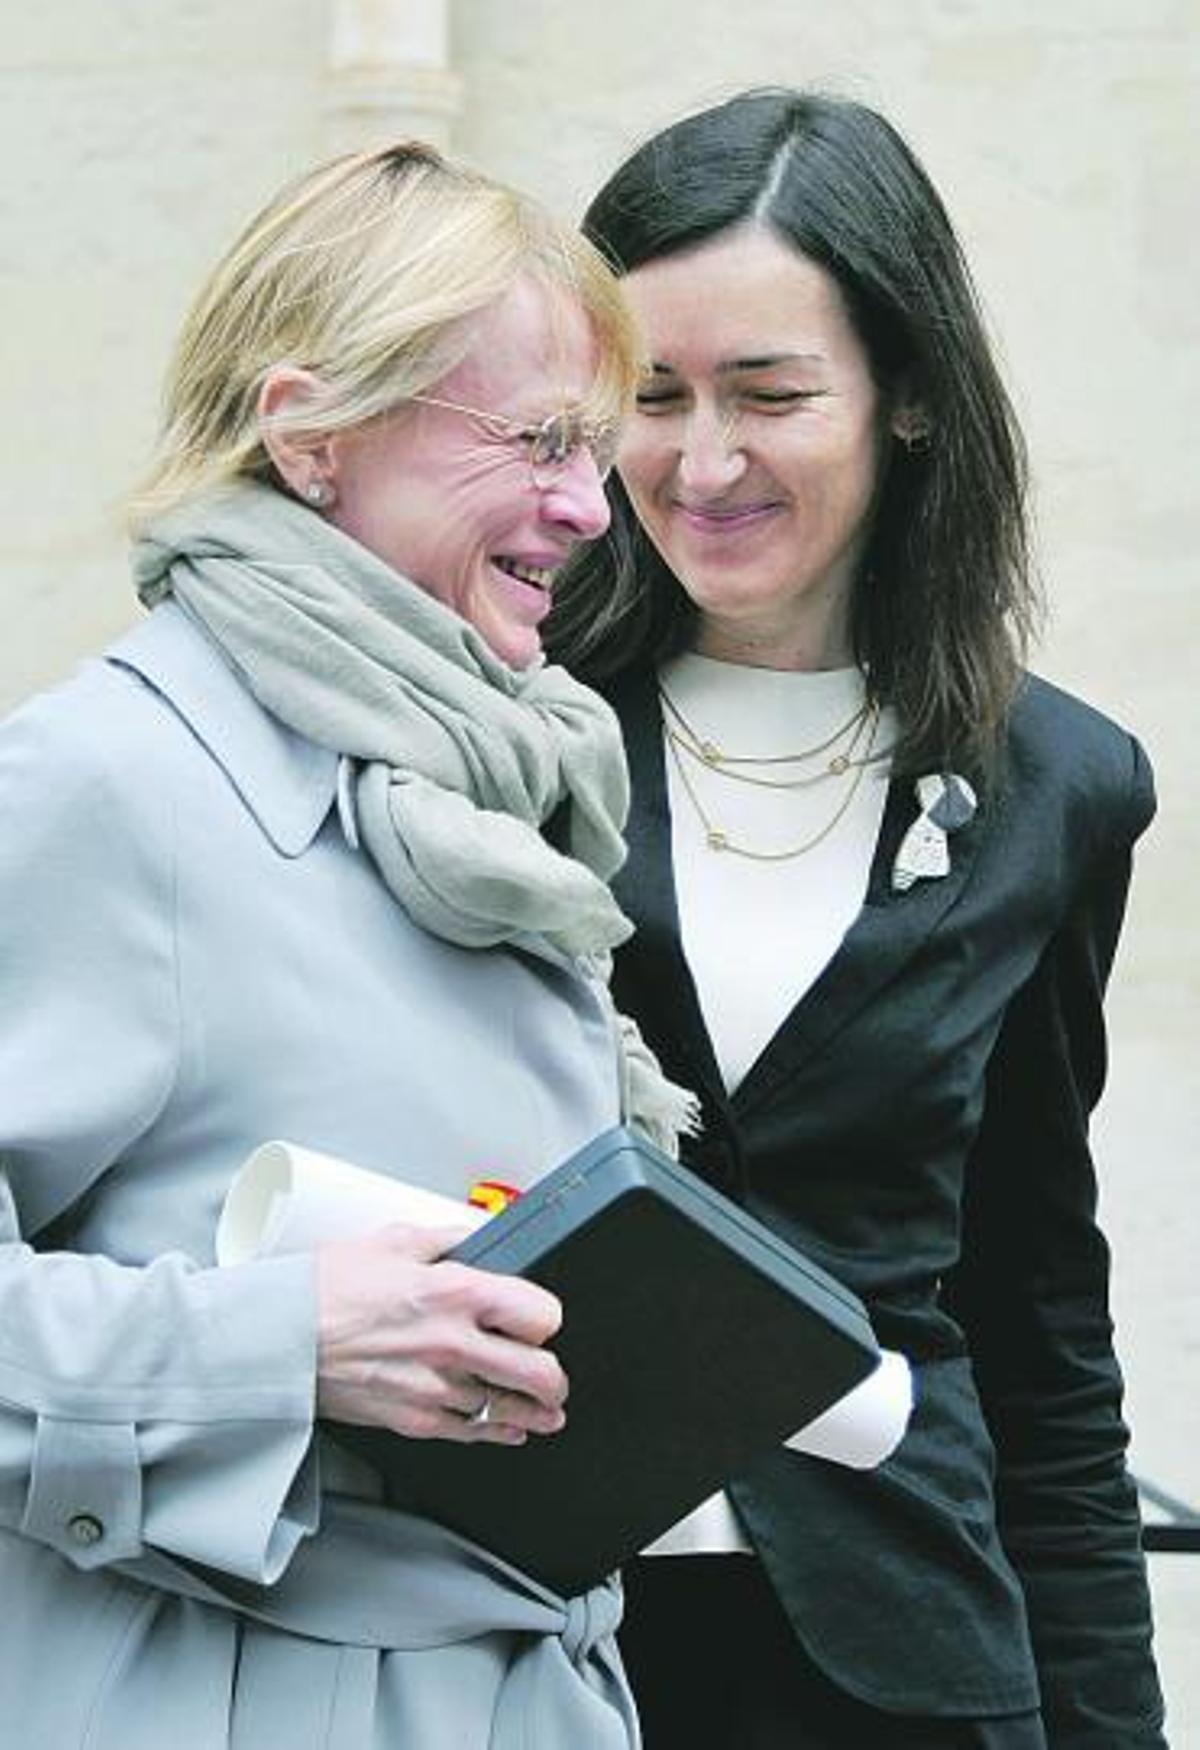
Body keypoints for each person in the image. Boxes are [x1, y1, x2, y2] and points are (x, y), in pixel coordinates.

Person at [0, 138, 701, 1748]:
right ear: (311, 436)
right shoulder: (109, 780)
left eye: (594, 449)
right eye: (539, 439)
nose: (592, 508)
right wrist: (280, 1347)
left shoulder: (492, 789)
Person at [547, 88, 1167, 1748]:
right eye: (652, 396)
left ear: (904, 397)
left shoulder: (1060, 783)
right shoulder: (496, 727)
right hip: (529, 1633)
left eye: (771, 393)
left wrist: (1109, 1723)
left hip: (904, 1656)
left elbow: (1038, 1307)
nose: (704, 459)